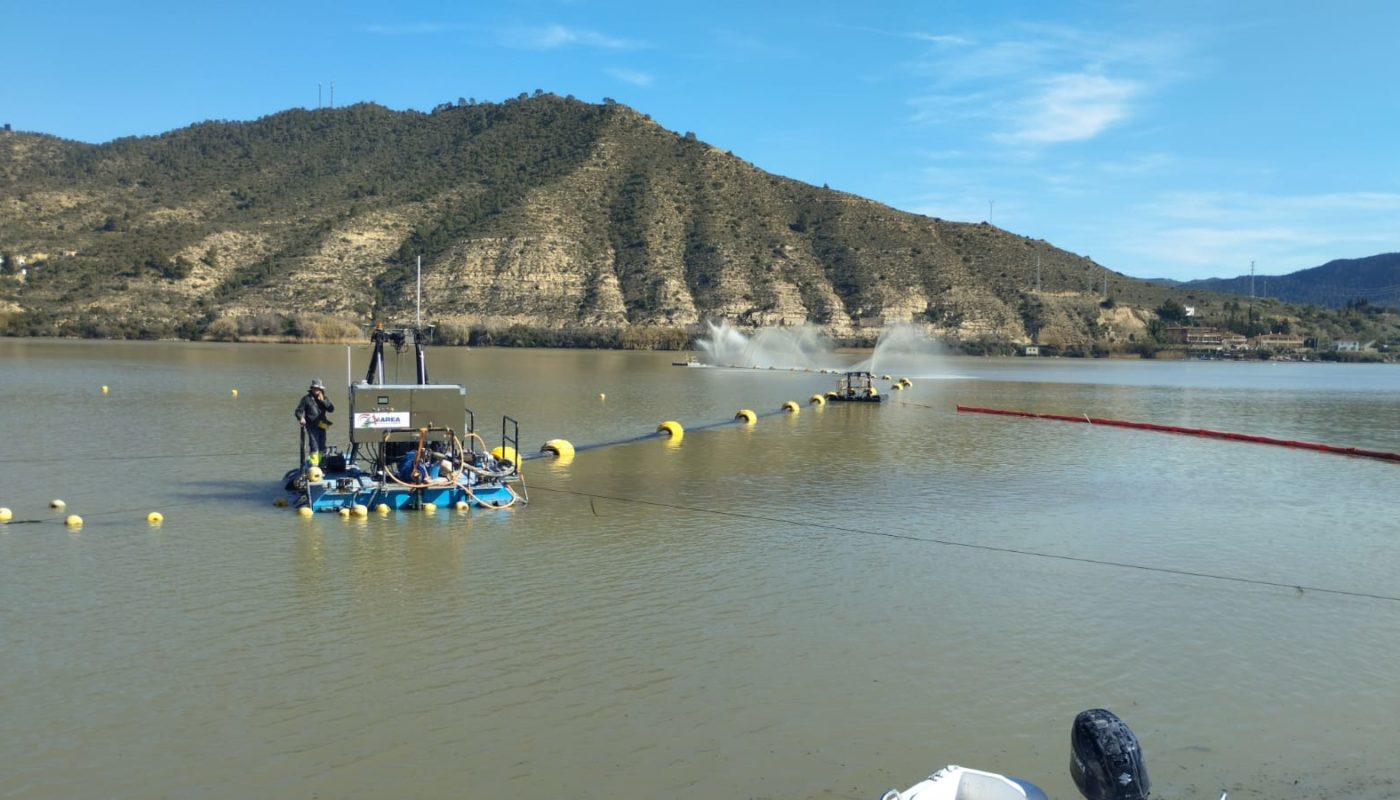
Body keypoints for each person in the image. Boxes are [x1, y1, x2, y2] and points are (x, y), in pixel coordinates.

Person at [294, 379, 335, 464]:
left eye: (318, 389)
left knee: (322, 445)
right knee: (314, 445)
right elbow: (298, 411)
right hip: (311, 426)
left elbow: (331, 409)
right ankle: (314, 465)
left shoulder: (324, 398)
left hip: (322, 425)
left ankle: (322, 463)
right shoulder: (306, 399)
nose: (317, 390)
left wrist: (323, 401)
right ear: (312, 389)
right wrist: (301, 418)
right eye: (315, 388)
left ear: (321, 390)